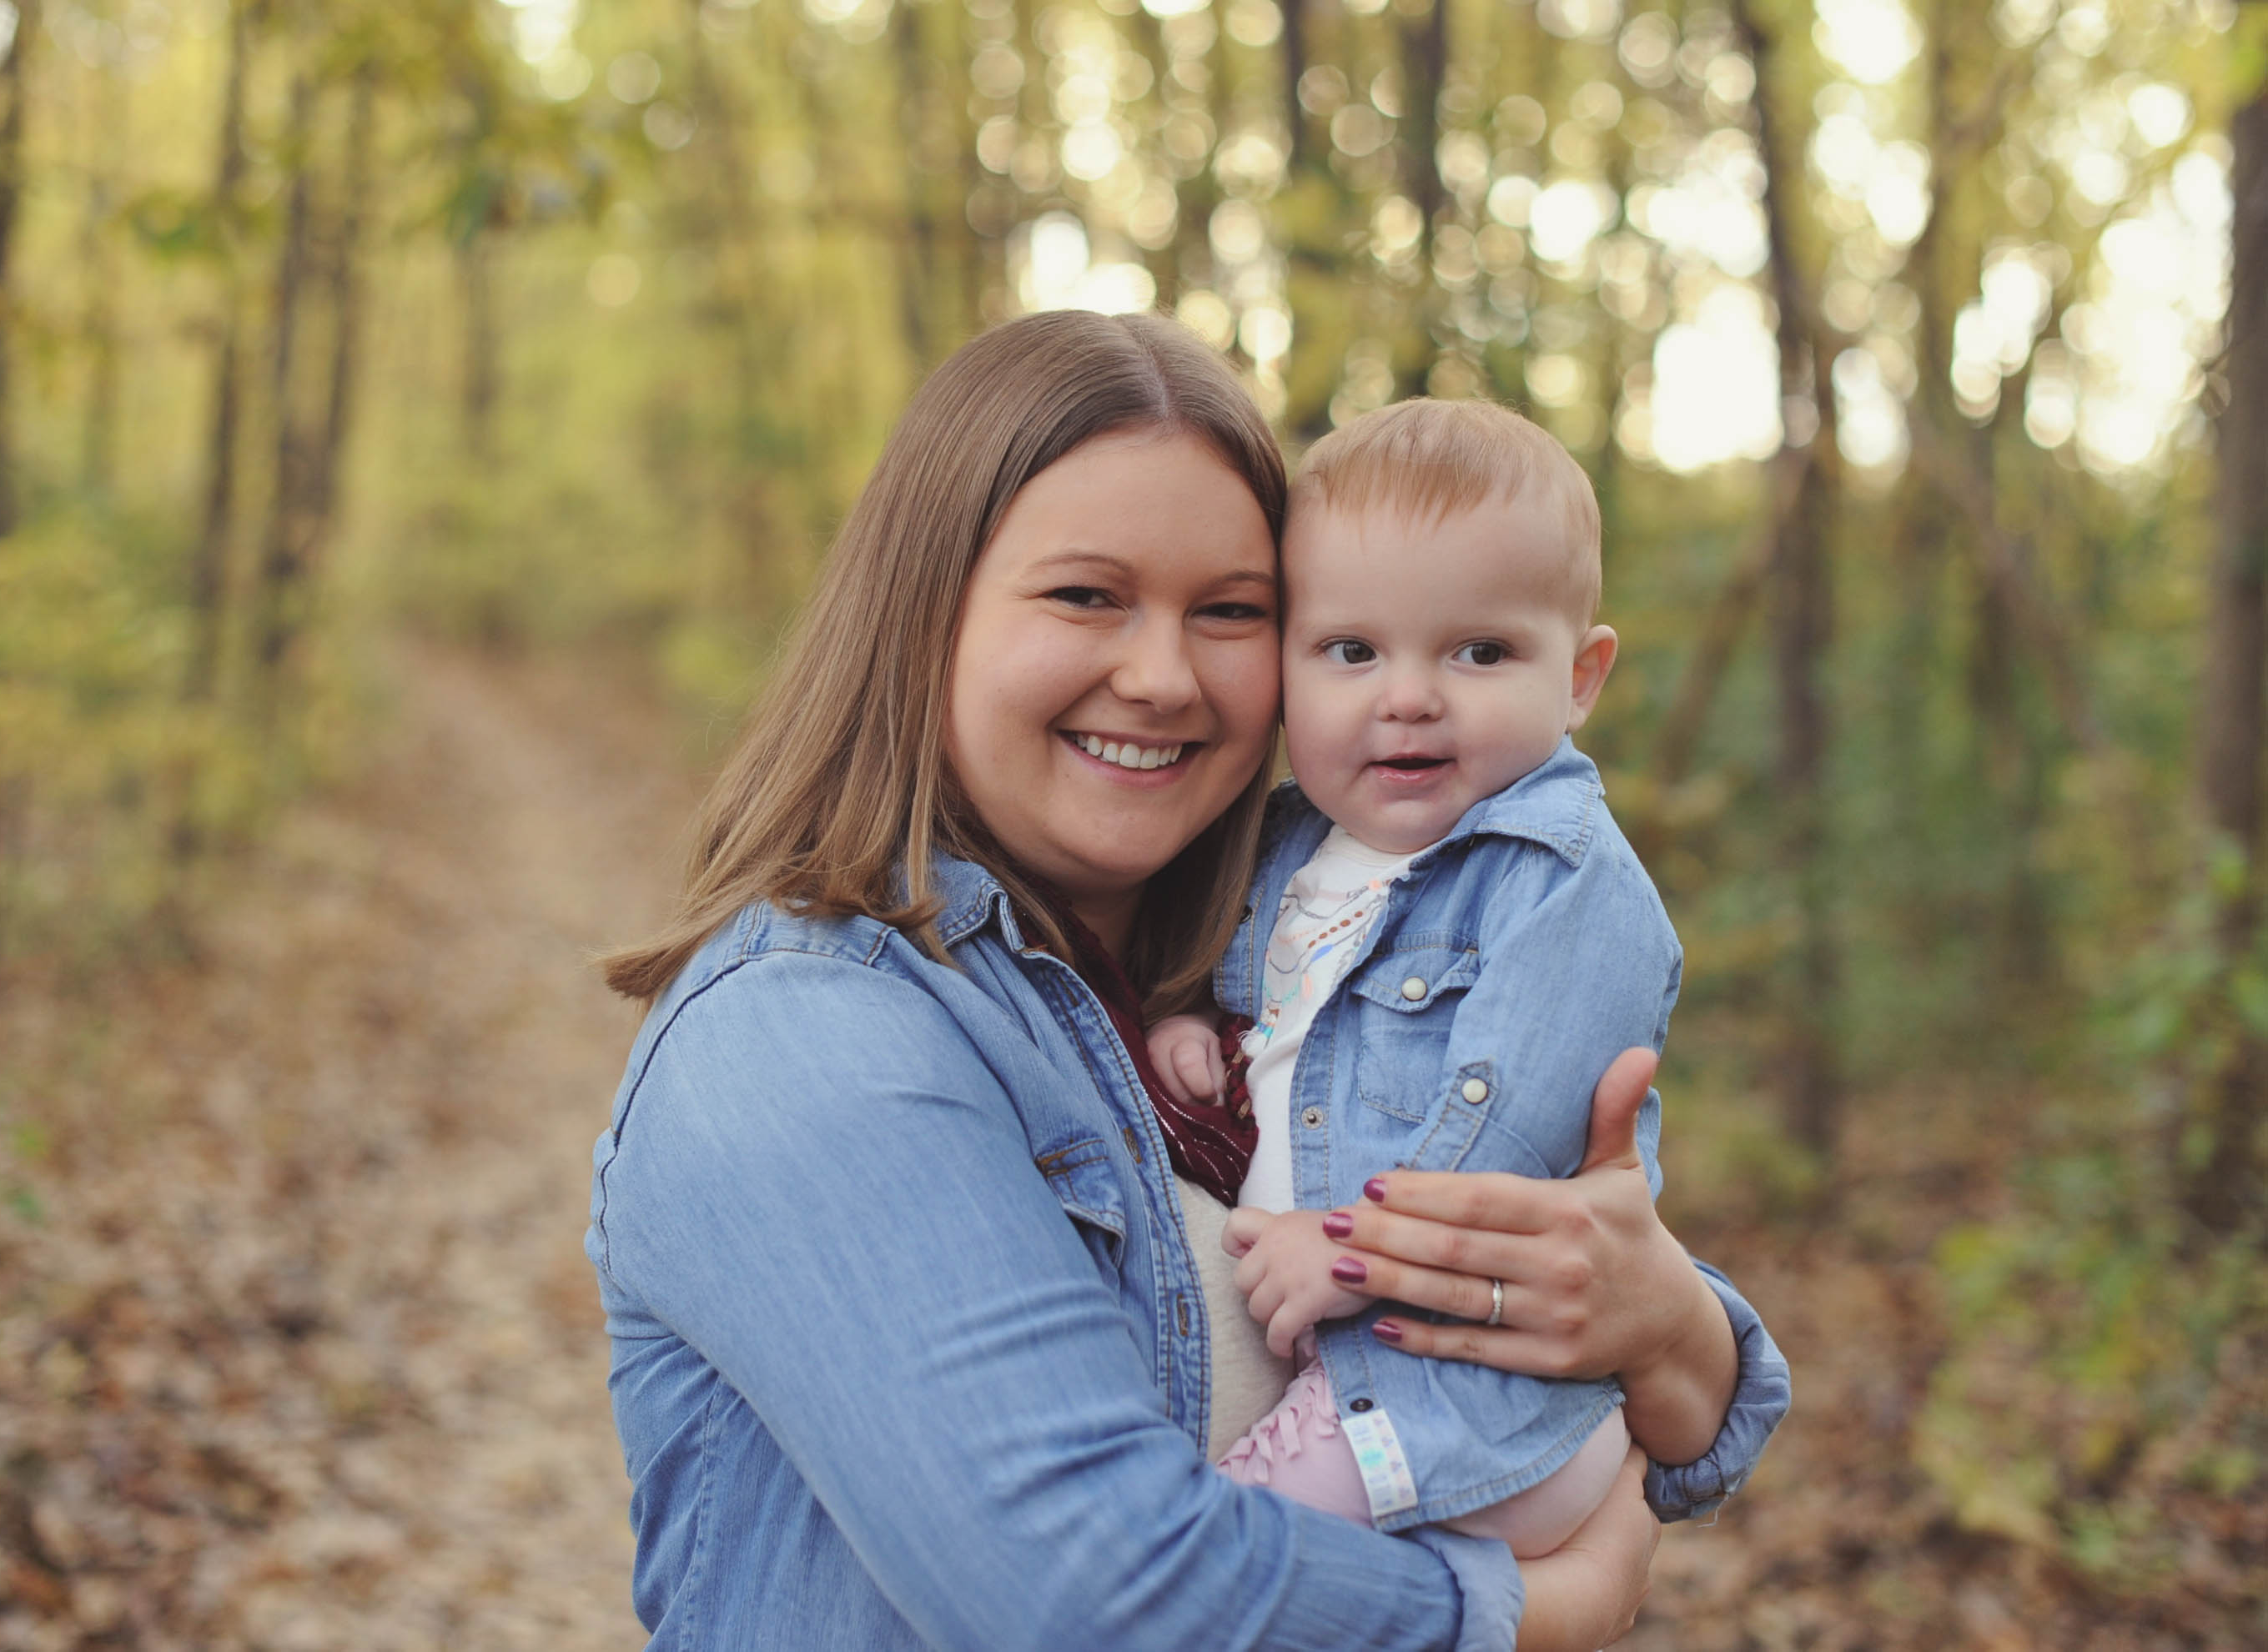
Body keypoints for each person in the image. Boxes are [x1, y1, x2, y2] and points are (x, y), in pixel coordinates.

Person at [586, 311, 1788, 1651]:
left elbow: (1663, 1409)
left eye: (1228, 611)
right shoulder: (801, 1035)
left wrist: (1674, 1326)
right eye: (1085, 595)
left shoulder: (1255, 983)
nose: (1159, 676)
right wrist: (1527, 1615)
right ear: (923, 615)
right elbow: (1083, 1586)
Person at [1145, 397, 1747, 1563]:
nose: (1409, 694)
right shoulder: (1288, 844)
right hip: (1336, 1349)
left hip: (1442, 1389)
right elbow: (1278, 1021)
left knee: (1202, 1563)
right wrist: (1193, 1031)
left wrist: (1349, 1245)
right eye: (1351, 650)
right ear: (1284, 668)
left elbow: (1508, 1123)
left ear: (1578, 677)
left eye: (1479, 651)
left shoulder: (1558, 879)